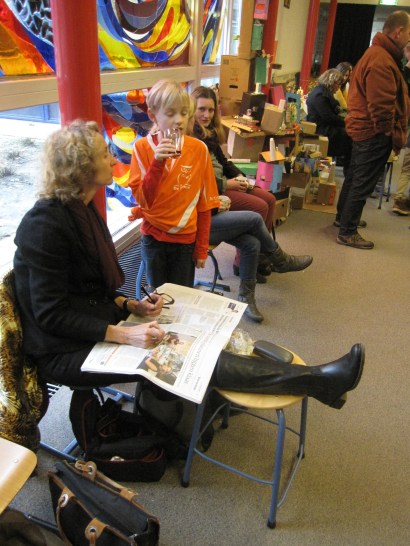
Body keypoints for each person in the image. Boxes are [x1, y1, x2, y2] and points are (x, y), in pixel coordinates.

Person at [13, 120, 166, 388]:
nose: (113, 160)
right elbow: (51, 315)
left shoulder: (82, 208)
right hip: (59, 349)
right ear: (82, 167)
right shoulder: (43, 225)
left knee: (169, 342)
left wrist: (130, 305)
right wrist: (125, 335)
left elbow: (90, 285)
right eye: (105, 155)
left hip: (88, 323)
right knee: (163, 360)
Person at [128, 80, 220, 288]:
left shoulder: (199, 150)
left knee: (182, 295)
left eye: (184, 113)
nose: (178, 120)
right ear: (153, 116)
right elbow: (144, 200)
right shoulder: (141, 148)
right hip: (153, 238)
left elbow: (204, 205)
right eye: (170, 114)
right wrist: (157, 162)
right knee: (158, 295)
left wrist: (201, 248)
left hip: (185, 240)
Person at [336, 11, 410, 249]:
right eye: (409, 33)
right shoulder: (381, 59)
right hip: (373, 133)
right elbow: (381, 106)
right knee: (362, 183)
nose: (409, 39)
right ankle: (348, 231)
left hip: (365, 130)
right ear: (399, 31)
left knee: (355, 178)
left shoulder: (377, 54)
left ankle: (343, 219)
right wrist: (387, 132)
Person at [190, 86, 277, 279]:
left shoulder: (209, 133)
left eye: (211, 110)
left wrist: (240, 177)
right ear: (191, 109)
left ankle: (260, 255)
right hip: (215, 191)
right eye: (201, 109)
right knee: (259, 207)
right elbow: (198, 179)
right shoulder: (191, 137)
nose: (206, 115)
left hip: (224, 183)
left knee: (270, 200)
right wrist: (228, 184)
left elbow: (224, 162)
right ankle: (244, 262)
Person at [210, 198, 313, 323]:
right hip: (199, 223)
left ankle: (245, 297)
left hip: (211, 213)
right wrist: (214, 205)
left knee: (252, 244)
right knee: (255, 218)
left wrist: (217, 200)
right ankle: (282, 261)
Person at [306, 68, 352, 171]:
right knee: (350, 137)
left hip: (323, 125)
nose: (339, 87)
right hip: (321, 129)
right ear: (332, 82)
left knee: (349, 134)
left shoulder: (321, 91)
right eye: (338, 84)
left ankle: (348, 168)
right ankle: (348, 170)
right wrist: (346, 122)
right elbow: (328, 117)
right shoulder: (320, 95)